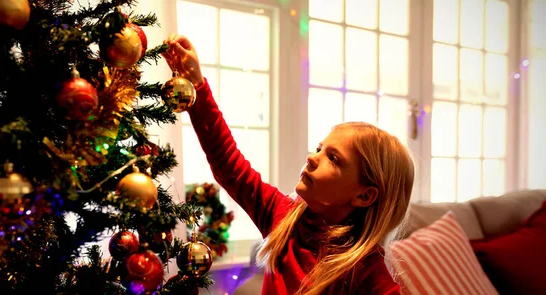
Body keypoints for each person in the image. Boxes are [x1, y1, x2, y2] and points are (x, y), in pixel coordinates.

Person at [162, 34, 414, 295]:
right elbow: (227, 161)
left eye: (333, 158)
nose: (312, 157)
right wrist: (197, 86)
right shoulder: (282, 216)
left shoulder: (368, 275)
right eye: (319, 149)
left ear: (364, 195)